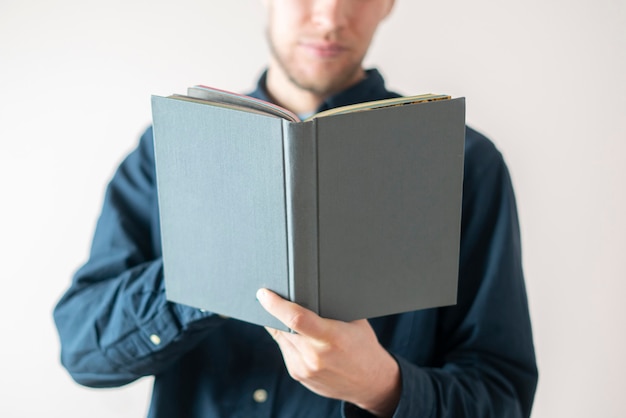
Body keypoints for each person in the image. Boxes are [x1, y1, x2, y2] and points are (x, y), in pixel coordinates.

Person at [53, 0, 538, 417]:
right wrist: (204, 280)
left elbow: (502, 396)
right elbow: (82, 351)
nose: (330, 17)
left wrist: (383, 387)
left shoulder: (463, 162)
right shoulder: (169, 147)